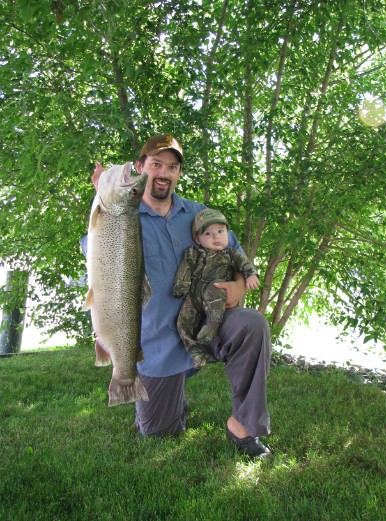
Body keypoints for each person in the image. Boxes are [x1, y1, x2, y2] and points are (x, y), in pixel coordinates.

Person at [90, 134, 272, 459]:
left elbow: (238, 256)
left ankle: (243, 425)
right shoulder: (118, 217)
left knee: (252, 324)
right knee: (160, 432)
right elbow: (98, 263)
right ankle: (171, 399)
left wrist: (239, 285)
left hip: (206, 329)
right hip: (158, 348)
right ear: (141, 167)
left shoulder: (200, 214)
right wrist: (105, 203)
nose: (163, 173)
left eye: (172, 167)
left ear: (178, 174)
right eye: (156, 164)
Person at [173, 208, 260, 369]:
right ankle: (195, 349)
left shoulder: (231, 254)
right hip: (194, 296)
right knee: (182, 322)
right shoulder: (193, 253)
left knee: (215, 291)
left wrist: (251, 275)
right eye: (208, 233)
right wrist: (181, 284)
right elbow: (185, 269)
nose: (215, 236)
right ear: (197, 239)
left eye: (220, 231)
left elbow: (244, 263)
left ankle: (212, 324)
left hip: (216, 292)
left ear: (227, 233)